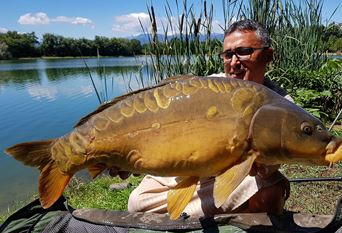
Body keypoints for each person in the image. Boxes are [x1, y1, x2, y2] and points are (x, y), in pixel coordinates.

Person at [123, 19, 292, 218]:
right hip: (188, 173)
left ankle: (222, 220)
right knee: (136, 203)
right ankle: (209, 213)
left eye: (244, 51)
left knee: (268, 190)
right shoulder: (209, 87)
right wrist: (136, 153)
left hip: (231, 179)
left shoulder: (282, 105)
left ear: (268, 55)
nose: (234, 62)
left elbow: (268, 166)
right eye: (228, 54)